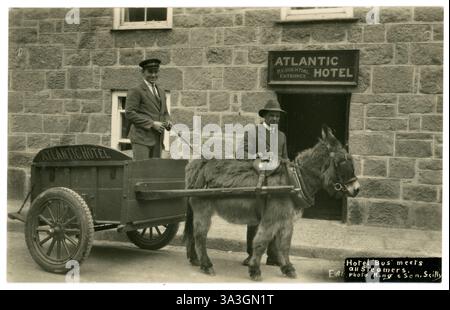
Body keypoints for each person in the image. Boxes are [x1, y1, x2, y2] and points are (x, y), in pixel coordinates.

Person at [240, 99, 288, 266]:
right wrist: (259, 155)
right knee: (256, 217)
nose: (275, 119)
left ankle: (273, 255)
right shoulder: (253, 133)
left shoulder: (282, 136)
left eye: (277, 116)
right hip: (257, 179)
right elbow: (243, 153)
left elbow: (286, 159)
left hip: (276, 183)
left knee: (274, 217)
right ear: (265, 117)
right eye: (272, 115)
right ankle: (251, 254)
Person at [125, 58, 172, 159]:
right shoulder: (136, 91)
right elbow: (129, 113)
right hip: (141, 139)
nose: (153, 75)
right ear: (143, 72)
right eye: (150, 72)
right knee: (142, 171)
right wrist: (152, 124)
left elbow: (164, 113)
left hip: (158, 139)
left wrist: (168, 121)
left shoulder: (161, 91)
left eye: (156, 72)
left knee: (154, 172)